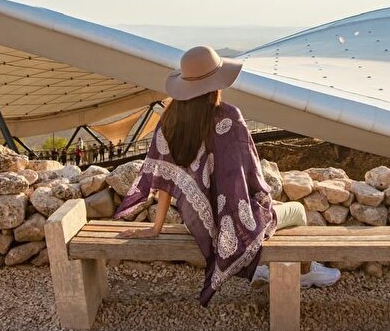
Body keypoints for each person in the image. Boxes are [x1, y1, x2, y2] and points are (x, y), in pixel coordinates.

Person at [114, 45, 339, 305]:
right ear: (216, 85)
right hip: (234, 222)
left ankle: (263, 272)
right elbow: (250, 175)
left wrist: (156, 227)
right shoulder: (229, 118)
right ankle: (305, 272)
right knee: (297, 211)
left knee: (266, 213)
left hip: (199, 221)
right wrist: (259, 205)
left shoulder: (169, 122)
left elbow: (165, 178)